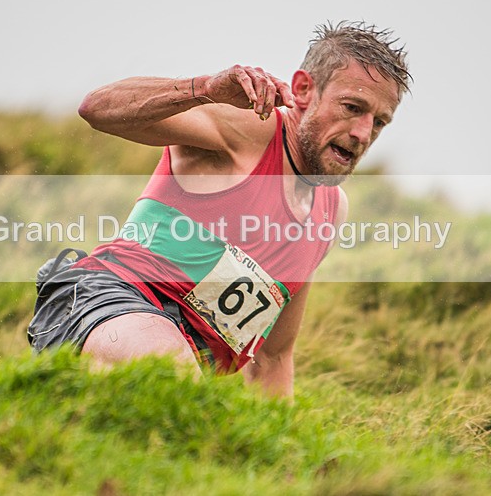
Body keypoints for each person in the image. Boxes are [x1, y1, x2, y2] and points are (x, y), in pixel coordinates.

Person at [27, 21, 410, 397]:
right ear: (303, 90)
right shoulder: (248, 128)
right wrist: (205, 89)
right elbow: (96, 108)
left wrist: (280, 438)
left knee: (195, 406)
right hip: (100, 300)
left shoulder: (330, 211)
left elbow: (273, 358)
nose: (363, 134)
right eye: (352, 107)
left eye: (379, 122)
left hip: (184, 364)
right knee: (175, 378)